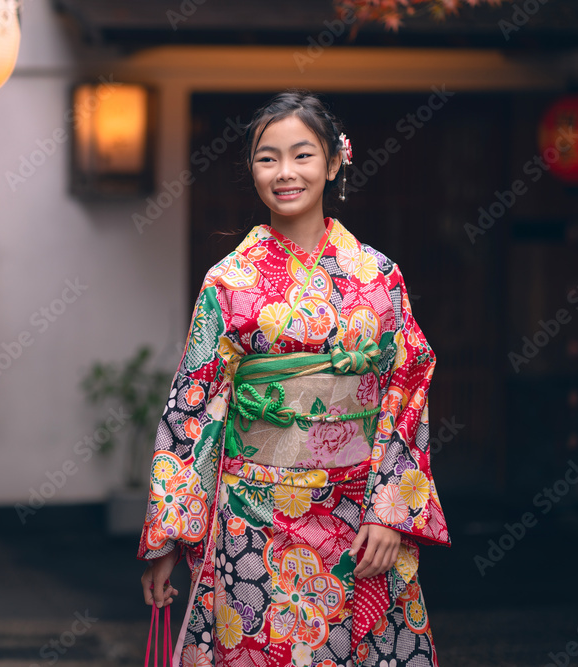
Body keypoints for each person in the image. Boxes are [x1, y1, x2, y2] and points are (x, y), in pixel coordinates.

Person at [136, 89, 451, 667]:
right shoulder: (228, 282)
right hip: (254, 515)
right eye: (267, 158)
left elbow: (406, 386)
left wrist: (390, 510)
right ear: (251, 169)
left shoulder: (379, 276)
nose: (285, 173)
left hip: (356, 513)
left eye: (302, 156)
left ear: (334, 162)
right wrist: (169, 537)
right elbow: (193, 407)